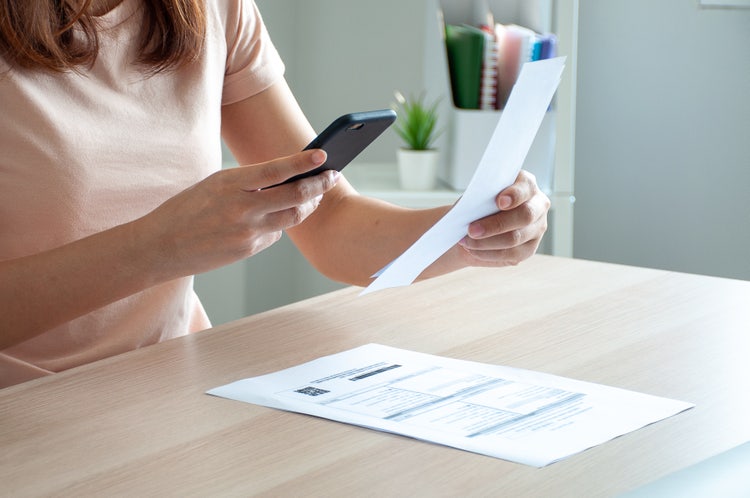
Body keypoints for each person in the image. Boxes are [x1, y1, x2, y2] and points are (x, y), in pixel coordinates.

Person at [0, 0, 550, 388]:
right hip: (24, 411)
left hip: (167, 386)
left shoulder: (211, 9)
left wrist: (472, 229)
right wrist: (155, 247)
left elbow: (329, 222)